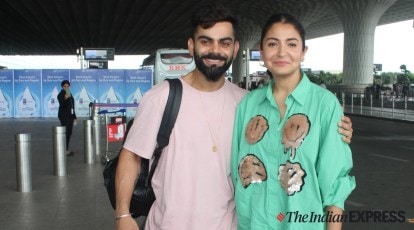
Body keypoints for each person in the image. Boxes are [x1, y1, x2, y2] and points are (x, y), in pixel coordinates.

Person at [115, 2, 354, 230]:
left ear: (235, 48)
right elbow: (132, 155)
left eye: (224, 43)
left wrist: (335, 128)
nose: (215, 51)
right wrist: (123, 214)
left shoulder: (249, 102)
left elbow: (333, 182)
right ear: (191, 45)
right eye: (206, 41)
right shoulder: (165, 98)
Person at [231, 13, 356, 230]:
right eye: (272, 44)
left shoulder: (325, 105)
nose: (281, 52)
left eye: (291, 44)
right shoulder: (248, 105)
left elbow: (334, 185)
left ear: (303, 52)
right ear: (261, 52)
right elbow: (235, 168)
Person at [57, 80, 77, 156]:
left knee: (69, 132)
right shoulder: (61, 94)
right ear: (62, 87)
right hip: (64, 116)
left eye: (67, 86)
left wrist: (74, 117)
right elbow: (62, 104)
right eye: (65, 86)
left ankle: (66, 149)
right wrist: (65, 98)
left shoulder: (70, 94)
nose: (66, 87)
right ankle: (63, 149)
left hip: (70, 116)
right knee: (65, 132)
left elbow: (72, 106)